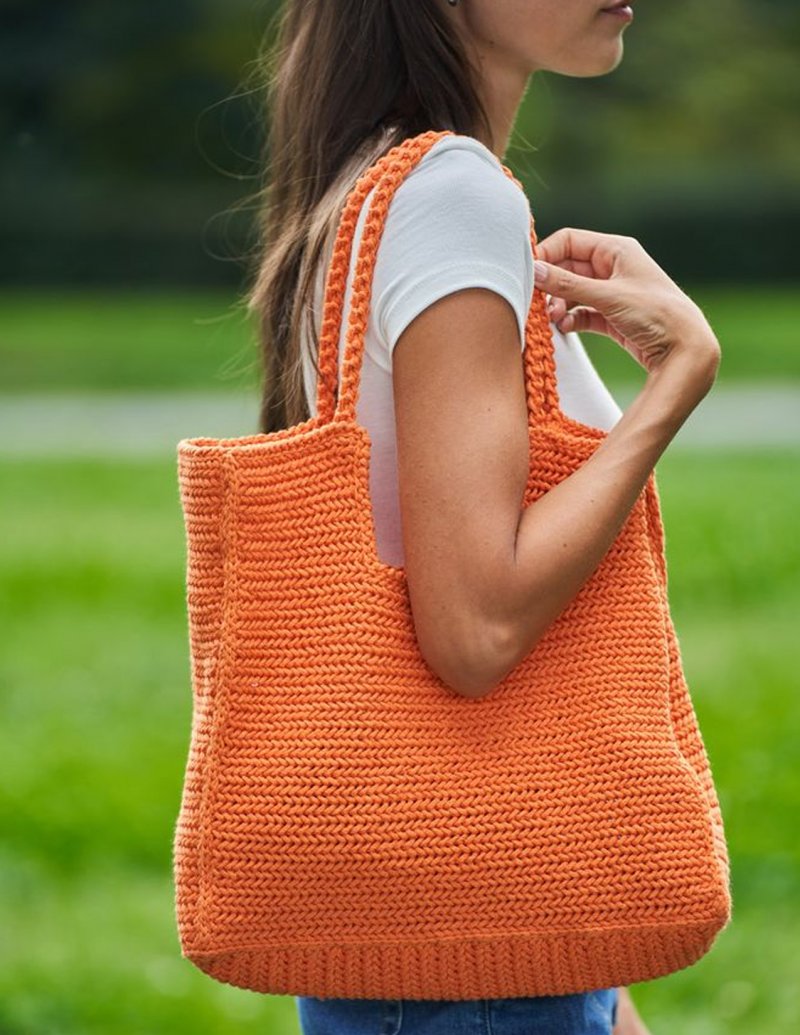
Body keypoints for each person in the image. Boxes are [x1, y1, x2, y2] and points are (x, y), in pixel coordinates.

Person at [245, 2, 721, 1033]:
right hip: (473, 980)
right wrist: (677, 377)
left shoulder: (372, 188)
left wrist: (601, 993)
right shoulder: (449, 195)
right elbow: (475, 631)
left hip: (455, 934)